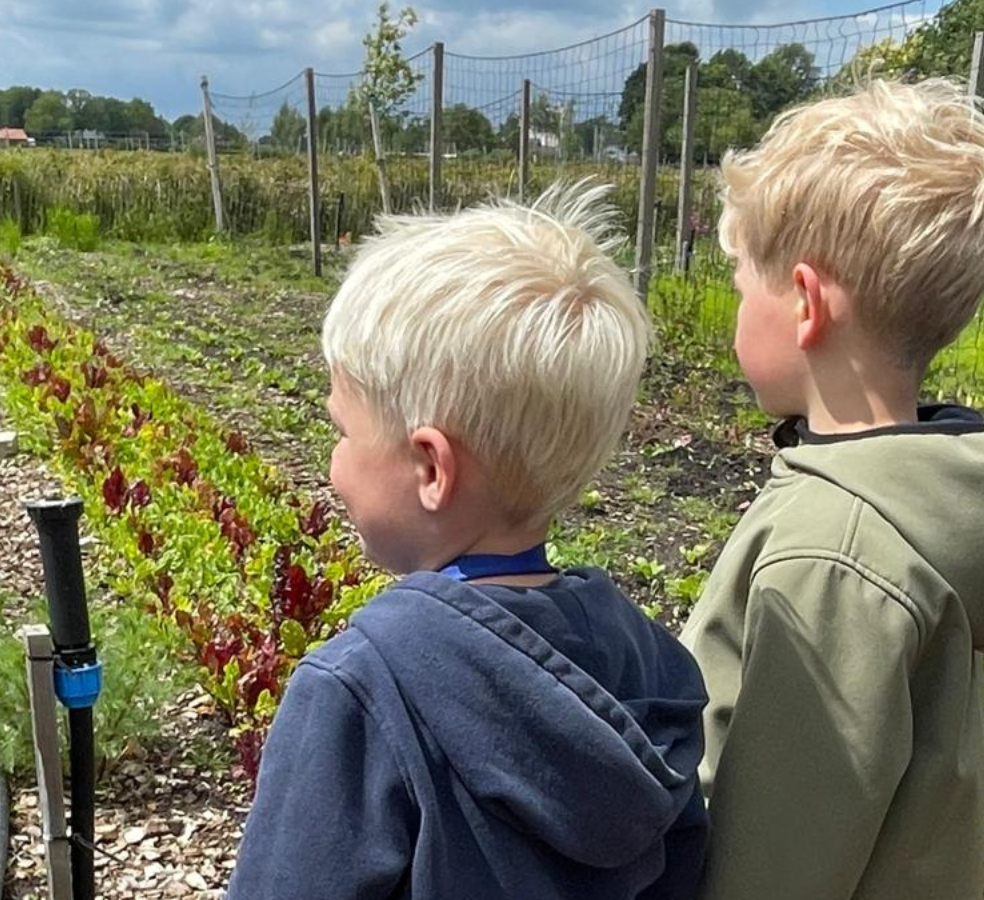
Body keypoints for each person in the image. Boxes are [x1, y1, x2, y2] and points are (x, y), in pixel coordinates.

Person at [227, 181, 709, 900]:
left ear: (430, 467)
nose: (332, 464)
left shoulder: (361, 689)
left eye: (342, 431)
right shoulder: (649, 663)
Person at [680, 78, 984, 900]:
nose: (732, 311)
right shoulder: (918, 505)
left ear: (805, 302)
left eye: (737, 285)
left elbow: (778, 860)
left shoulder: (835, 552)